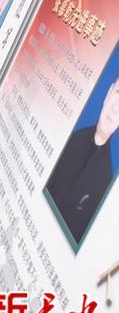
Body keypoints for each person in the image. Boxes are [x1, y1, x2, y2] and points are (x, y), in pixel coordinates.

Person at [45, 72, 119, 245]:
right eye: (118, 93)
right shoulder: (67, 138)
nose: (116, 108)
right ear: (108, 94)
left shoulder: (105, 183)